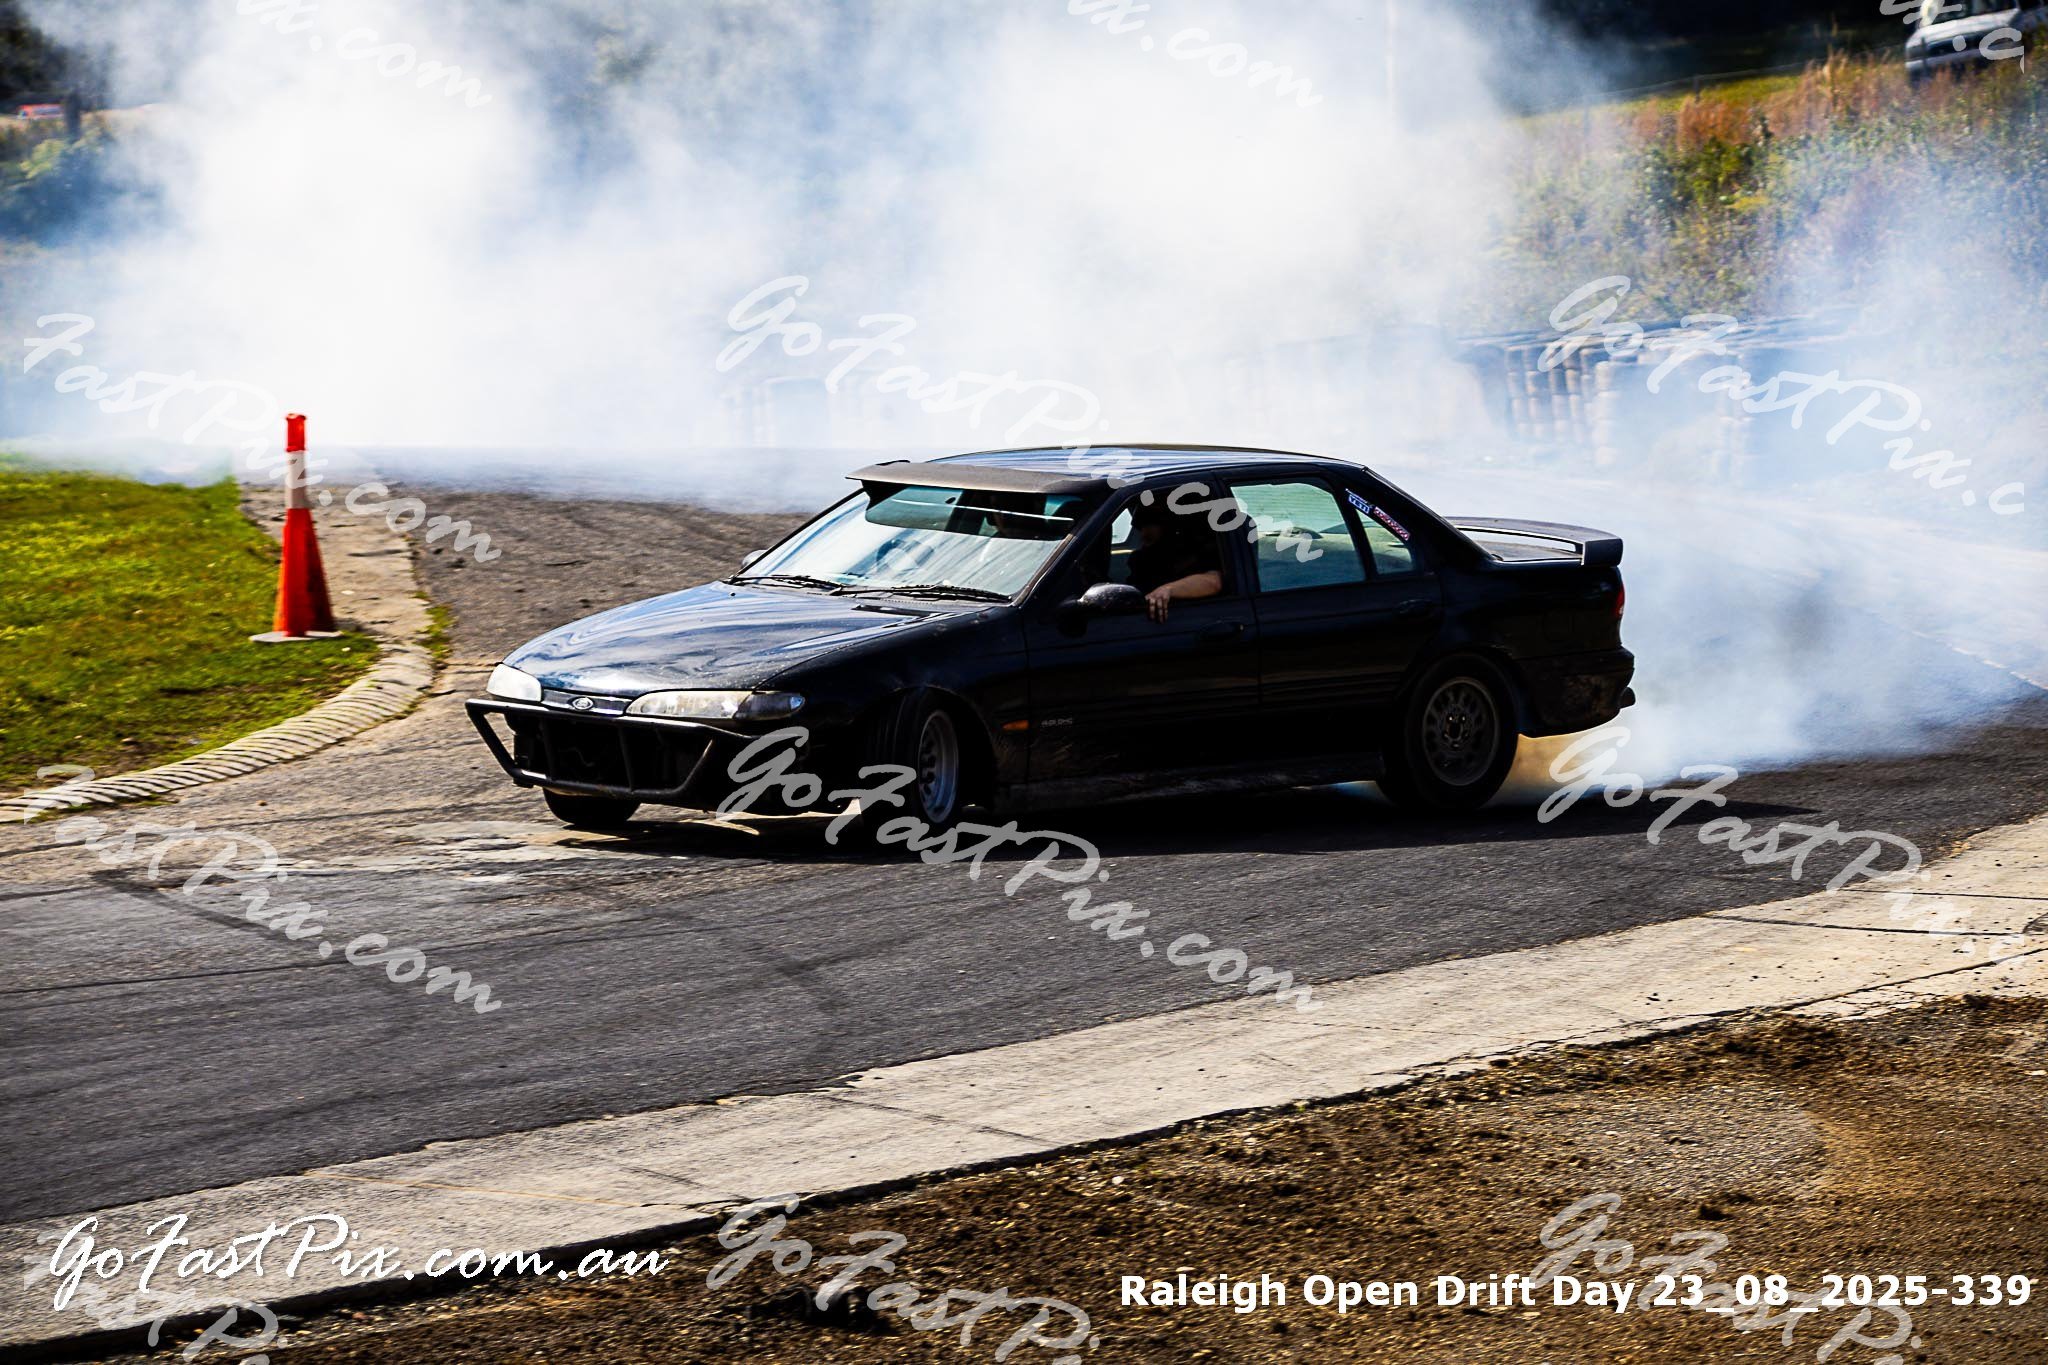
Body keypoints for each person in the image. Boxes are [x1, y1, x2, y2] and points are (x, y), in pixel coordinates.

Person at [1126, 498, 1224, 623]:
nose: (1145, 531)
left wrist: (1167, 590)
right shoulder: (1140, 559)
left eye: (1151, 522)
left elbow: (1214, 581)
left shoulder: (1191, 553)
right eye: (1142, 524)